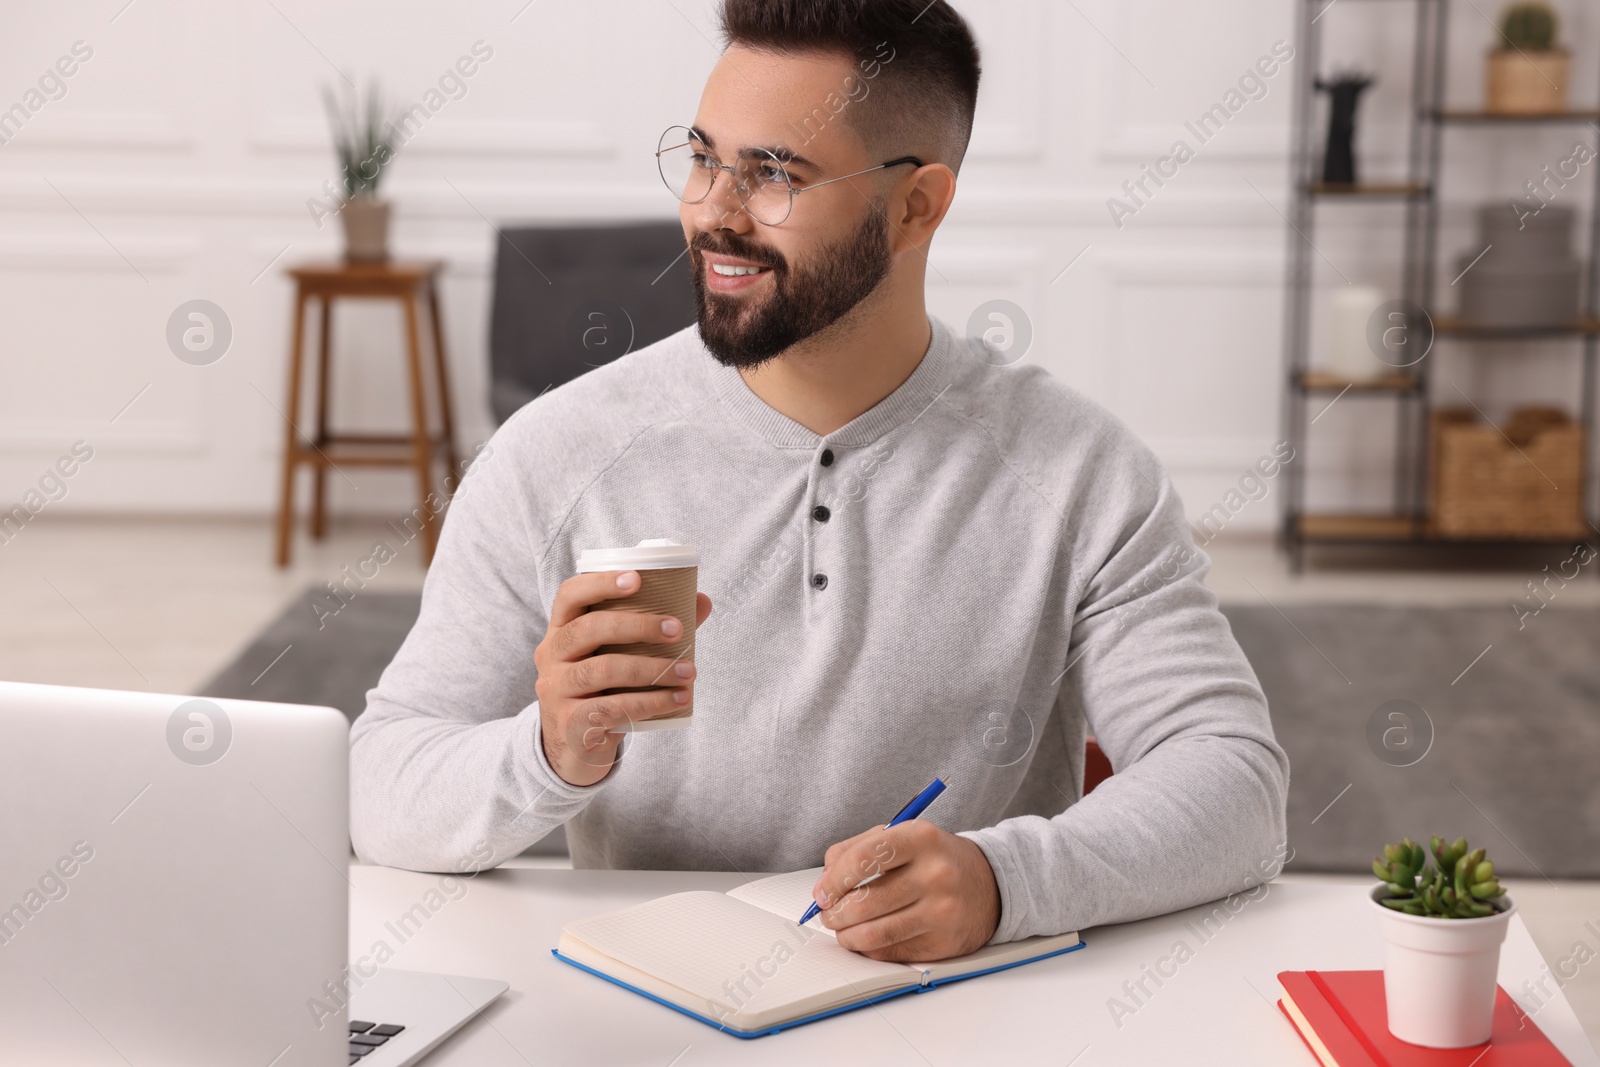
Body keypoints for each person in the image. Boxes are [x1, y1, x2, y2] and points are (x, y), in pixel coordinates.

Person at [350, 0, 1289, 964]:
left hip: (966, 1009)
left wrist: (1005, 882)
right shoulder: (555, 453)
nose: (713, 209)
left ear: (917, 205)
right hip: (650, 1015)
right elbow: (381, 789)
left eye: (771, 175)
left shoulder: (1080, 471)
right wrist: (547, 752)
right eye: (704, 157)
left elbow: (1233, 781)